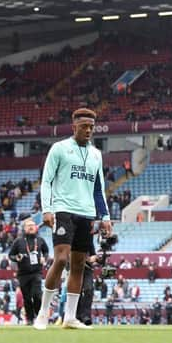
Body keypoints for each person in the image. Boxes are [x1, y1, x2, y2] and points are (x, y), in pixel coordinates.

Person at [34, 108, 112, 330]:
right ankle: (43, 313)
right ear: (74, 126)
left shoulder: (96, 154)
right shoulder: (59, 149)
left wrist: (105, 216)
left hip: (86, 214)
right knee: (60, 260)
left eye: (91, 127)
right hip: (63, 211)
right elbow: (47, 181)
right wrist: (47, 210)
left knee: (79, 265)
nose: (88, 130)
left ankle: (70, 317)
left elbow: (99, 189)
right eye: (84, 126)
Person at [8, 218, 49, 325]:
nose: (31, 227)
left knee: (37, 295)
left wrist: (45, 258)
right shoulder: (18, 241)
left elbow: (46, 251)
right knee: (26, 298)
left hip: (36, 272)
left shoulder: (40, 240)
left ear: (36, 227)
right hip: (23, 274)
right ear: (24, 228)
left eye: (33, 225)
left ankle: (39, 316)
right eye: (28, 225)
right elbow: (10, 255)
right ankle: (30, 319)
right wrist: (17, 257)